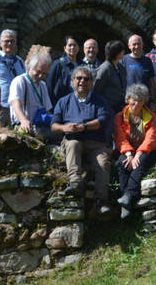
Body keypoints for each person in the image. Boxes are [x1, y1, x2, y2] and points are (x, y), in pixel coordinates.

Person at [51, 66, 112, 215]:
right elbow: (53, 125)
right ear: (72, 81)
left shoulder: (99, 101)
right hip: (73, 139)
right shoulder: (63, 101)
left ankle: (101, 201)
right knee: (73, 144)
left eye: (86, 79)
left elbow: (102, 120)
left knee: (103, 162)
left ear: (91, 82)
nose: (82, 81)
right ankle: (75, 184)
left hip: (96, 142)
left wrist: (83, 127)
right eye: (78, 78)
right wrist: (65, 128)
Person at [114, 84, 156, 219]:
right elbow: (120, 138)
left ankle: (128, 196)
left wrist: (138, 154)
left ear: (144, 102)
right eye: (134, 99)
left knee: (139, 163)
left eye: (141, 100)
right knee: (122, 163)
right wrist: (129, 154)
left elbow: (152, 139)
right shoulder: (120, 117)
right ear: (128, 99)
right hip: (127, 151)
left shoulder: (152, 116)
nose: (136, 103)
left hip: (149, 151)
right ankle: (126, 203)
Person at [8, 54, 54, 140]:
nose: (40, 76)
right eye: (38, 72)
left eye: (44, 73)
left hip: (40, 124)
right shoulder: (19, 81)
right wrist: (23, 120)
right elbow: (15, 102)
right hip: (24, 124)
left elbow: (48, 109)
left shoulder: (42, 85)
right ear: (29, 67)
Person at [0, 29, 25, 127]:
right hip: (1, 105)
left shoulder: (20, 61)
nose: (9, 43)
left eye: (12, 41)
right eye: (6, 41)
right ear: (0, 43)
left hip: (17, 106)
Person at [122, 34, 156, 107]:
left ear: (142, 45)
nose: (137, 47)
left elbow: (152, 82)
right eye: (134, 44)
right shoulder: (124, 60)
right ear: (129, 46)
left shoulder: (147, 61)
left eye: (139, 44)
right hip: (129, 101)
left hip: (145, 101)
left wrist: (153, 101)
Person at [94, 40, 127, 114]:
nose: (123, 52)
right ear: (115, 53)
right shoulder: (105, 69)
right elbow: (96, 89)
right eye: (121, 50)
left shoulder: (121, 67)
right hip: (108, 109)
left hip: (120, 107)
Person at [47, 35, 80, 107]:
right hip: (60, 104)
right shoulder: (58, 64)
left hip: (77, 105)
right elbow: (50, 85)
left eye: (75, 45)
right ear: (65, 48)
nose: (72, 48)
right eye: (70, 45)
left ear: (78, 48)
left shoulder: (81, 65)